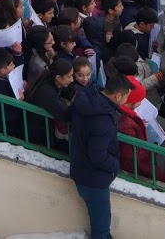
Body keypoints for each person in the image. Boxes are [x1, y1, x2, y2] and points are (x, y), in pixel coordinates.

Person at [68, 74, 132, 239]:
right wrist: (115, 165)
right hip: (93, 180)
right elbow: (98, 156)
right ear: (117, 96)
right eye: (127, 97)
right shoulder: (103, 119)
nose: (127, 100)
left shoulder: (87, 96)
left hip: (82, 169)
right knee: (101, 228)